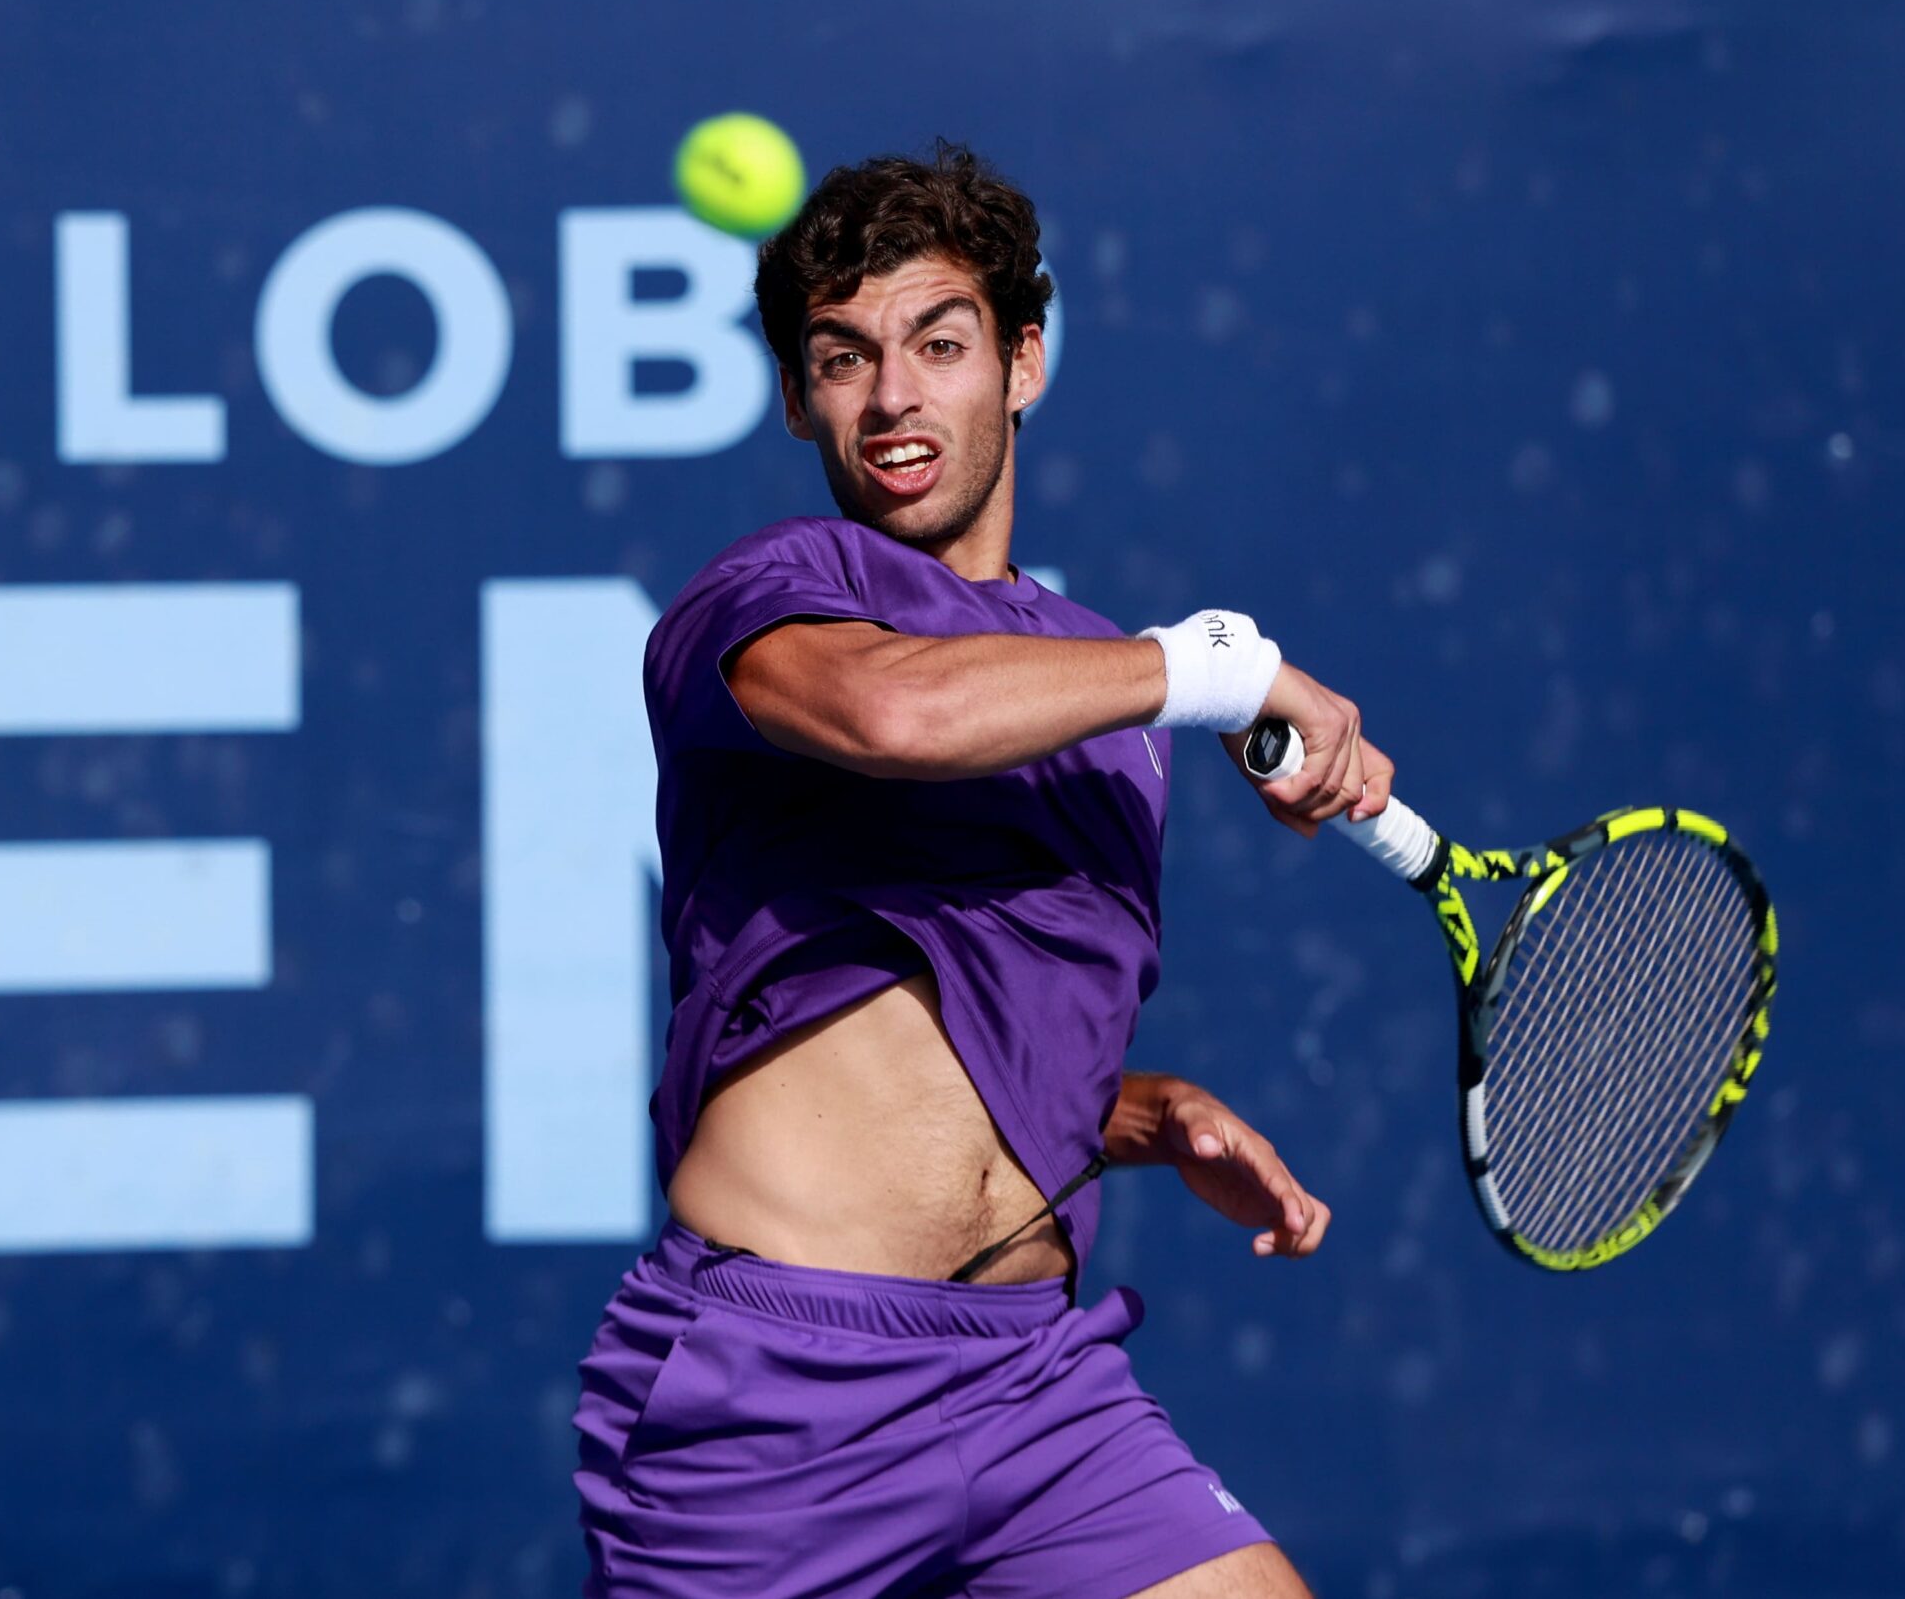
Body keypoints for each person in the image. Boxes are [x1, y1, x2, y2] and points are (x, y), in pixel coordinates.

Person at [572, 140, 1395, 1599]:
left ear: (1023, 360)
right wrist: (1217, 667)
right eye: (843, 357)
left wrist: (1135, 1112)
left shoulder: (1100, 695)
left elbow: (935, 1010)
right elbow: (903, 715)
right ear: (796, 395)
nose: (892, 399)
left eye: (939, 344)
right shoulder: (770, 599)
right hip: (773, 1402)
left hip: (1036, 1391)